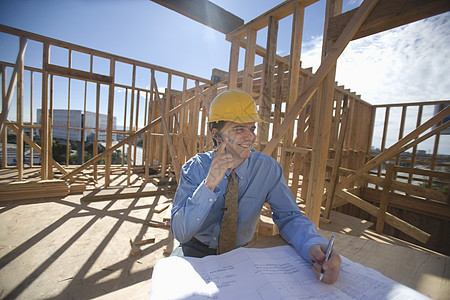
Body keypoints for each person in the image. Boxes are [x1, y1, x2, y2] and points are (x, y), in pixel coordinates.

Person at [170, 89, 341, 283]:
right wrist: (209, 184)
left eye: (252, 129)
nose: (250, 137)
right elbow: (181, 233)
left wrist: (313, 244)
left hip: (242, 253)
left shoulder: (267, 169)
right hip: (195, 250)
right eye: (239, 129)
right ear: (216, 135)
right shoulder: (195, 168)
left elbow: (289, 216)